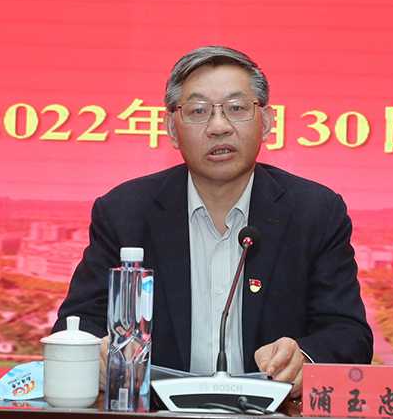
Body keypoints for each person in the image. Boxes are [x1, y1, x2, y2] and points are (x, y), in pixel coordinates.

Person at [53, 46, 373, 398]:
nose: (219, 127)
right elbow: (78, 323)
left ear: (266, 123)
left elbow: (348, 333)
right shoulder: (124, 212)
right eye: (198, 111)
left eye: (236, 108)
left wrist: (304, 360)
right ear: (172, 129)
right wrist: (96, 354)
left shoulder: (315, 212)